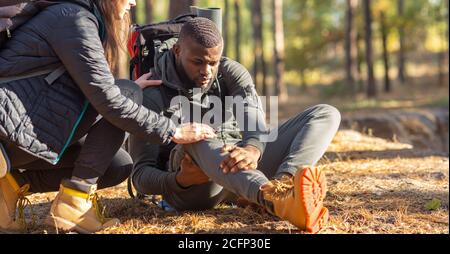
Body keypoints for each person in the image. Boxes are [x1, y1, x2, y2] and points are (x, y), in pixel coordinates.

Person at [0, 0, 215, 234]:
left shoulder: (81, 19)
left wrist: (122, 89)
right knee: (126, 94)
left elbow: (80, 88)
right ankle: (73, 204)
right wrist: (173, 130)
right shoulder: (73, 18)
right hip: (8, 130)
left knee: (117, 165)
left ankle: (10, 187)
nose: (133, 3)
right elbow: (107, 99)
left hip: (25, 128)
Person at [130, 17, 341, 233]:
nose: (207, 71)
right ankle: (270, 197)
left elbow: (254, 120)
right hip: (196, 186)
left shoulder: (230, 72)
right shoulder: (152, 93)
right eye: (198, 62)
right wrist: (179, 179)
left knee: (325, 114)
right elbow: (140, 176)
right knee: (198, 135)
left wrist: (252, 148)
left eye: (213, 62)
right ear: (177, 51)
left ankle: (282, 189)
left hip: (243, 170)